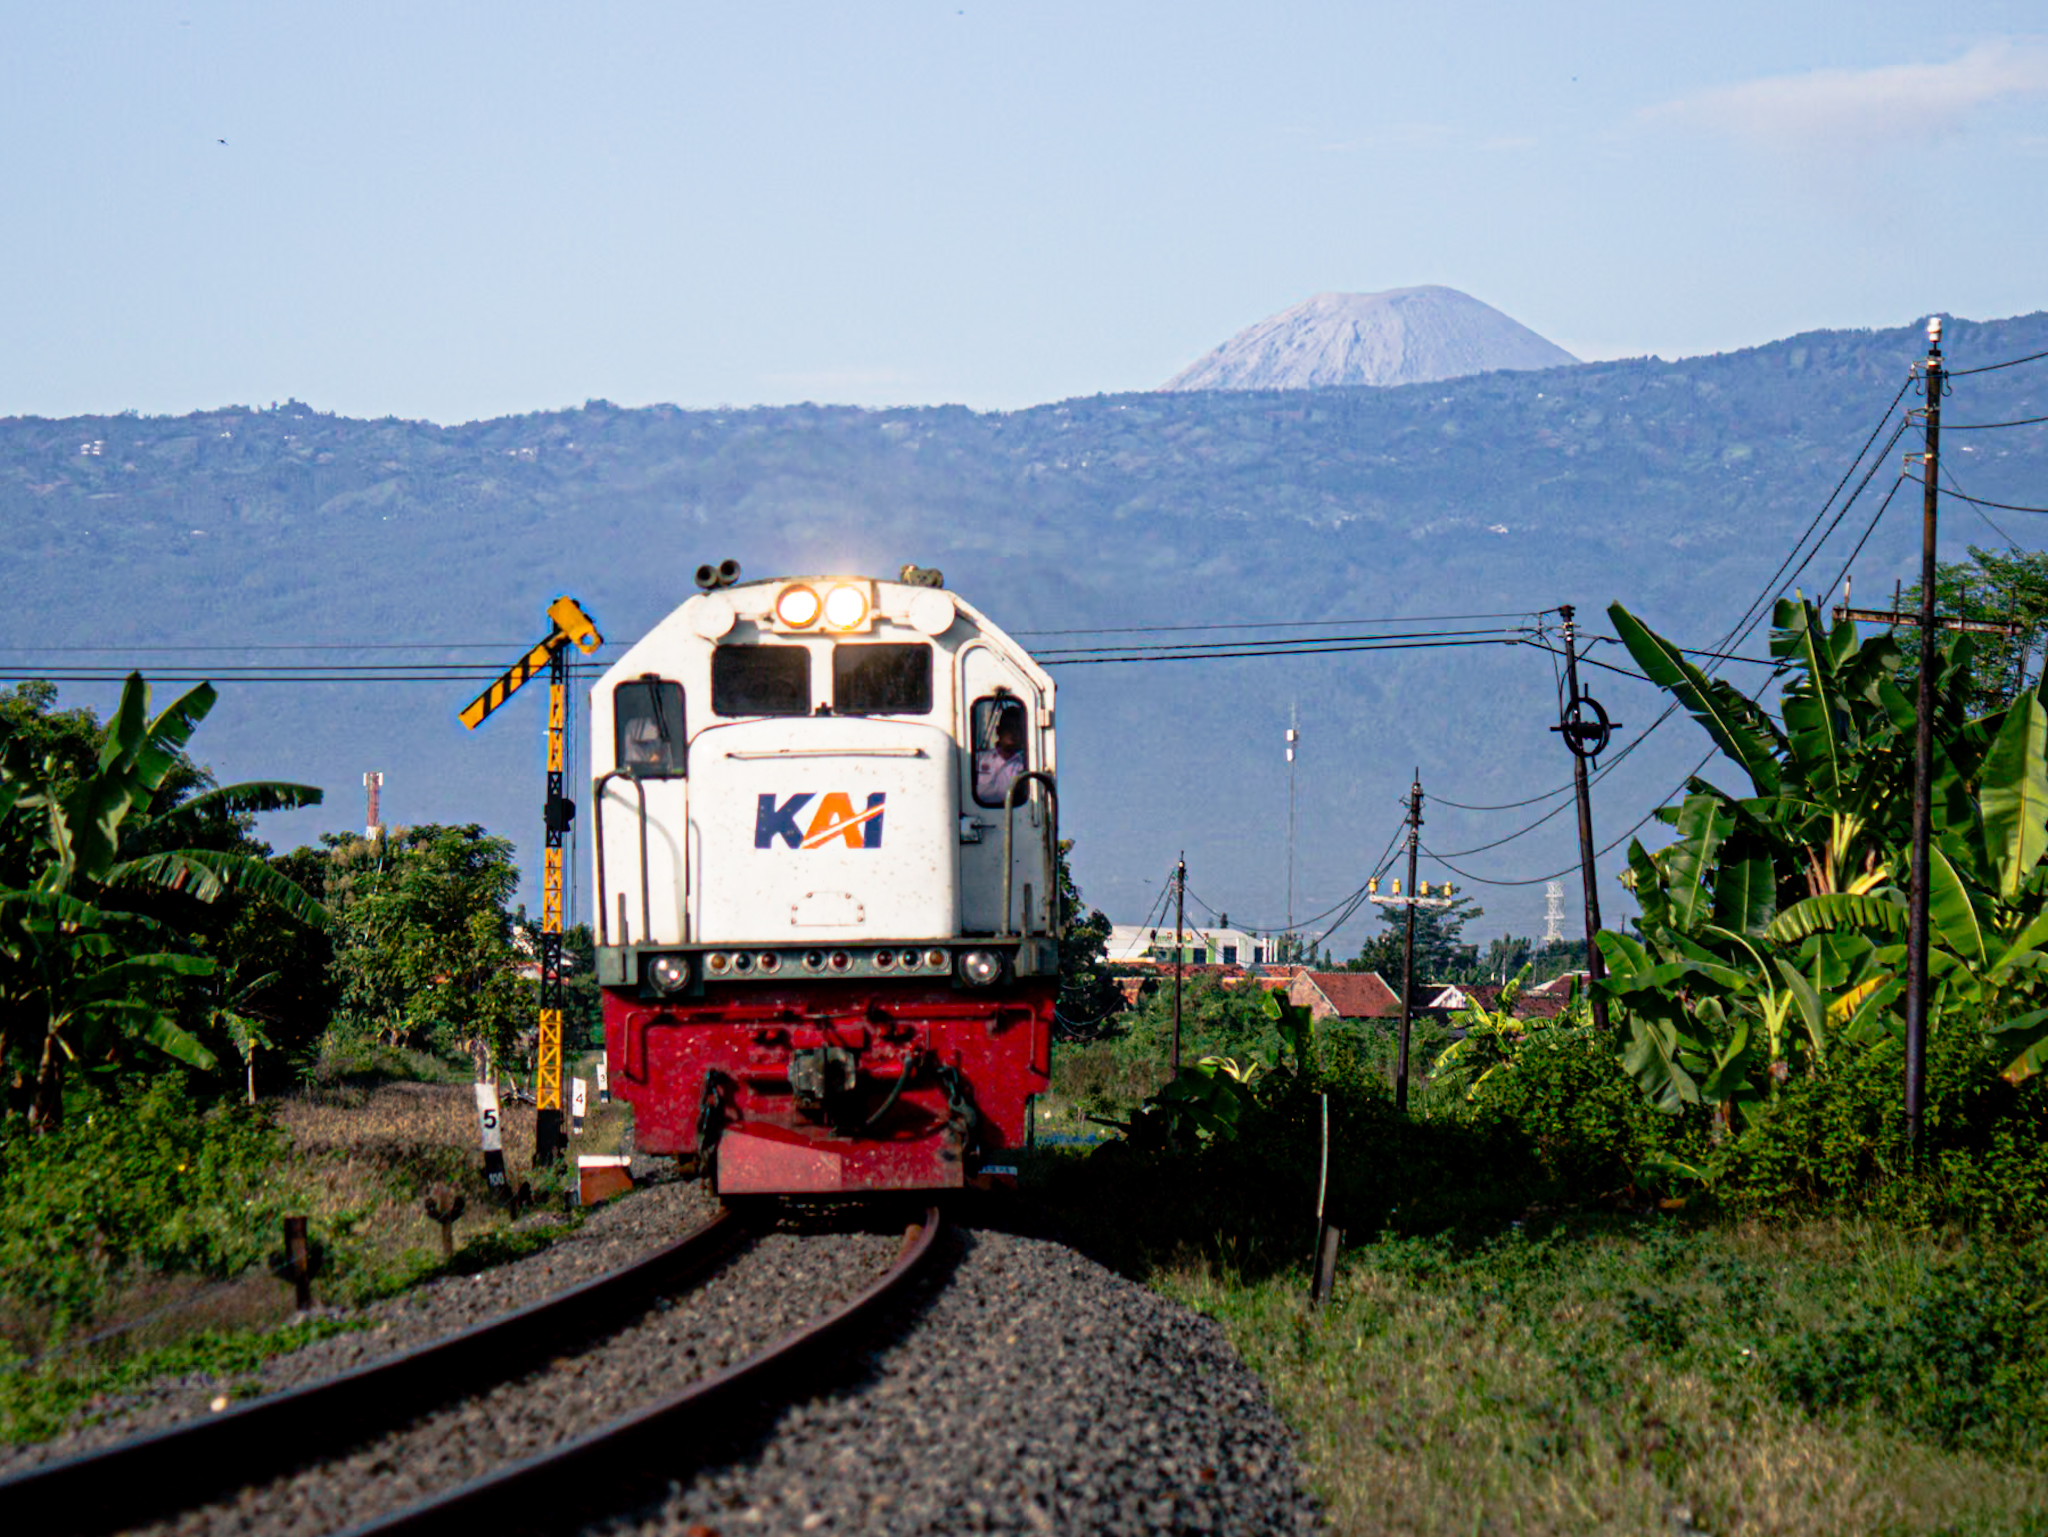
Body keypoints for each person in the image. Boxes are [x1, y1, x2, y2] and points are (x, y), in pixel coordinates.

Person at [975, 708, 1026, 803]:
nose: (1013, 733)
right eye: (1009, 727)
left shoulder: (1025, 766)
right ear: (998, 730)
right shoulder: (978, 759)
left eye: (1018, 728)